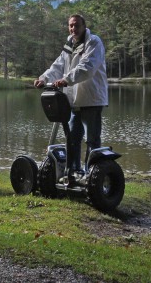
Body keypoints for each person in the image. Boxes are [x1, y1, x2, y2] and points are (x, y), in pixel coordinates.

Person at [34, 14, 108, 186]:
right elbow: (59, 64)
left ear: (84, 26)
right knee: (72, 138)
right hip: (74, 100)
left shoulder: (94, 42)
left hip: (92, 99)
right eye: (70, 26)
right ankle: (73, 172)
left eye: (76, 25)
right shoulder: (70, 43)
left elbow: (87, 67)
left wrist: (66, 79)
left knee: (92, 140)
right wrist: (44, 78)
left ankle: (93, 176)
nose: (73, 29)